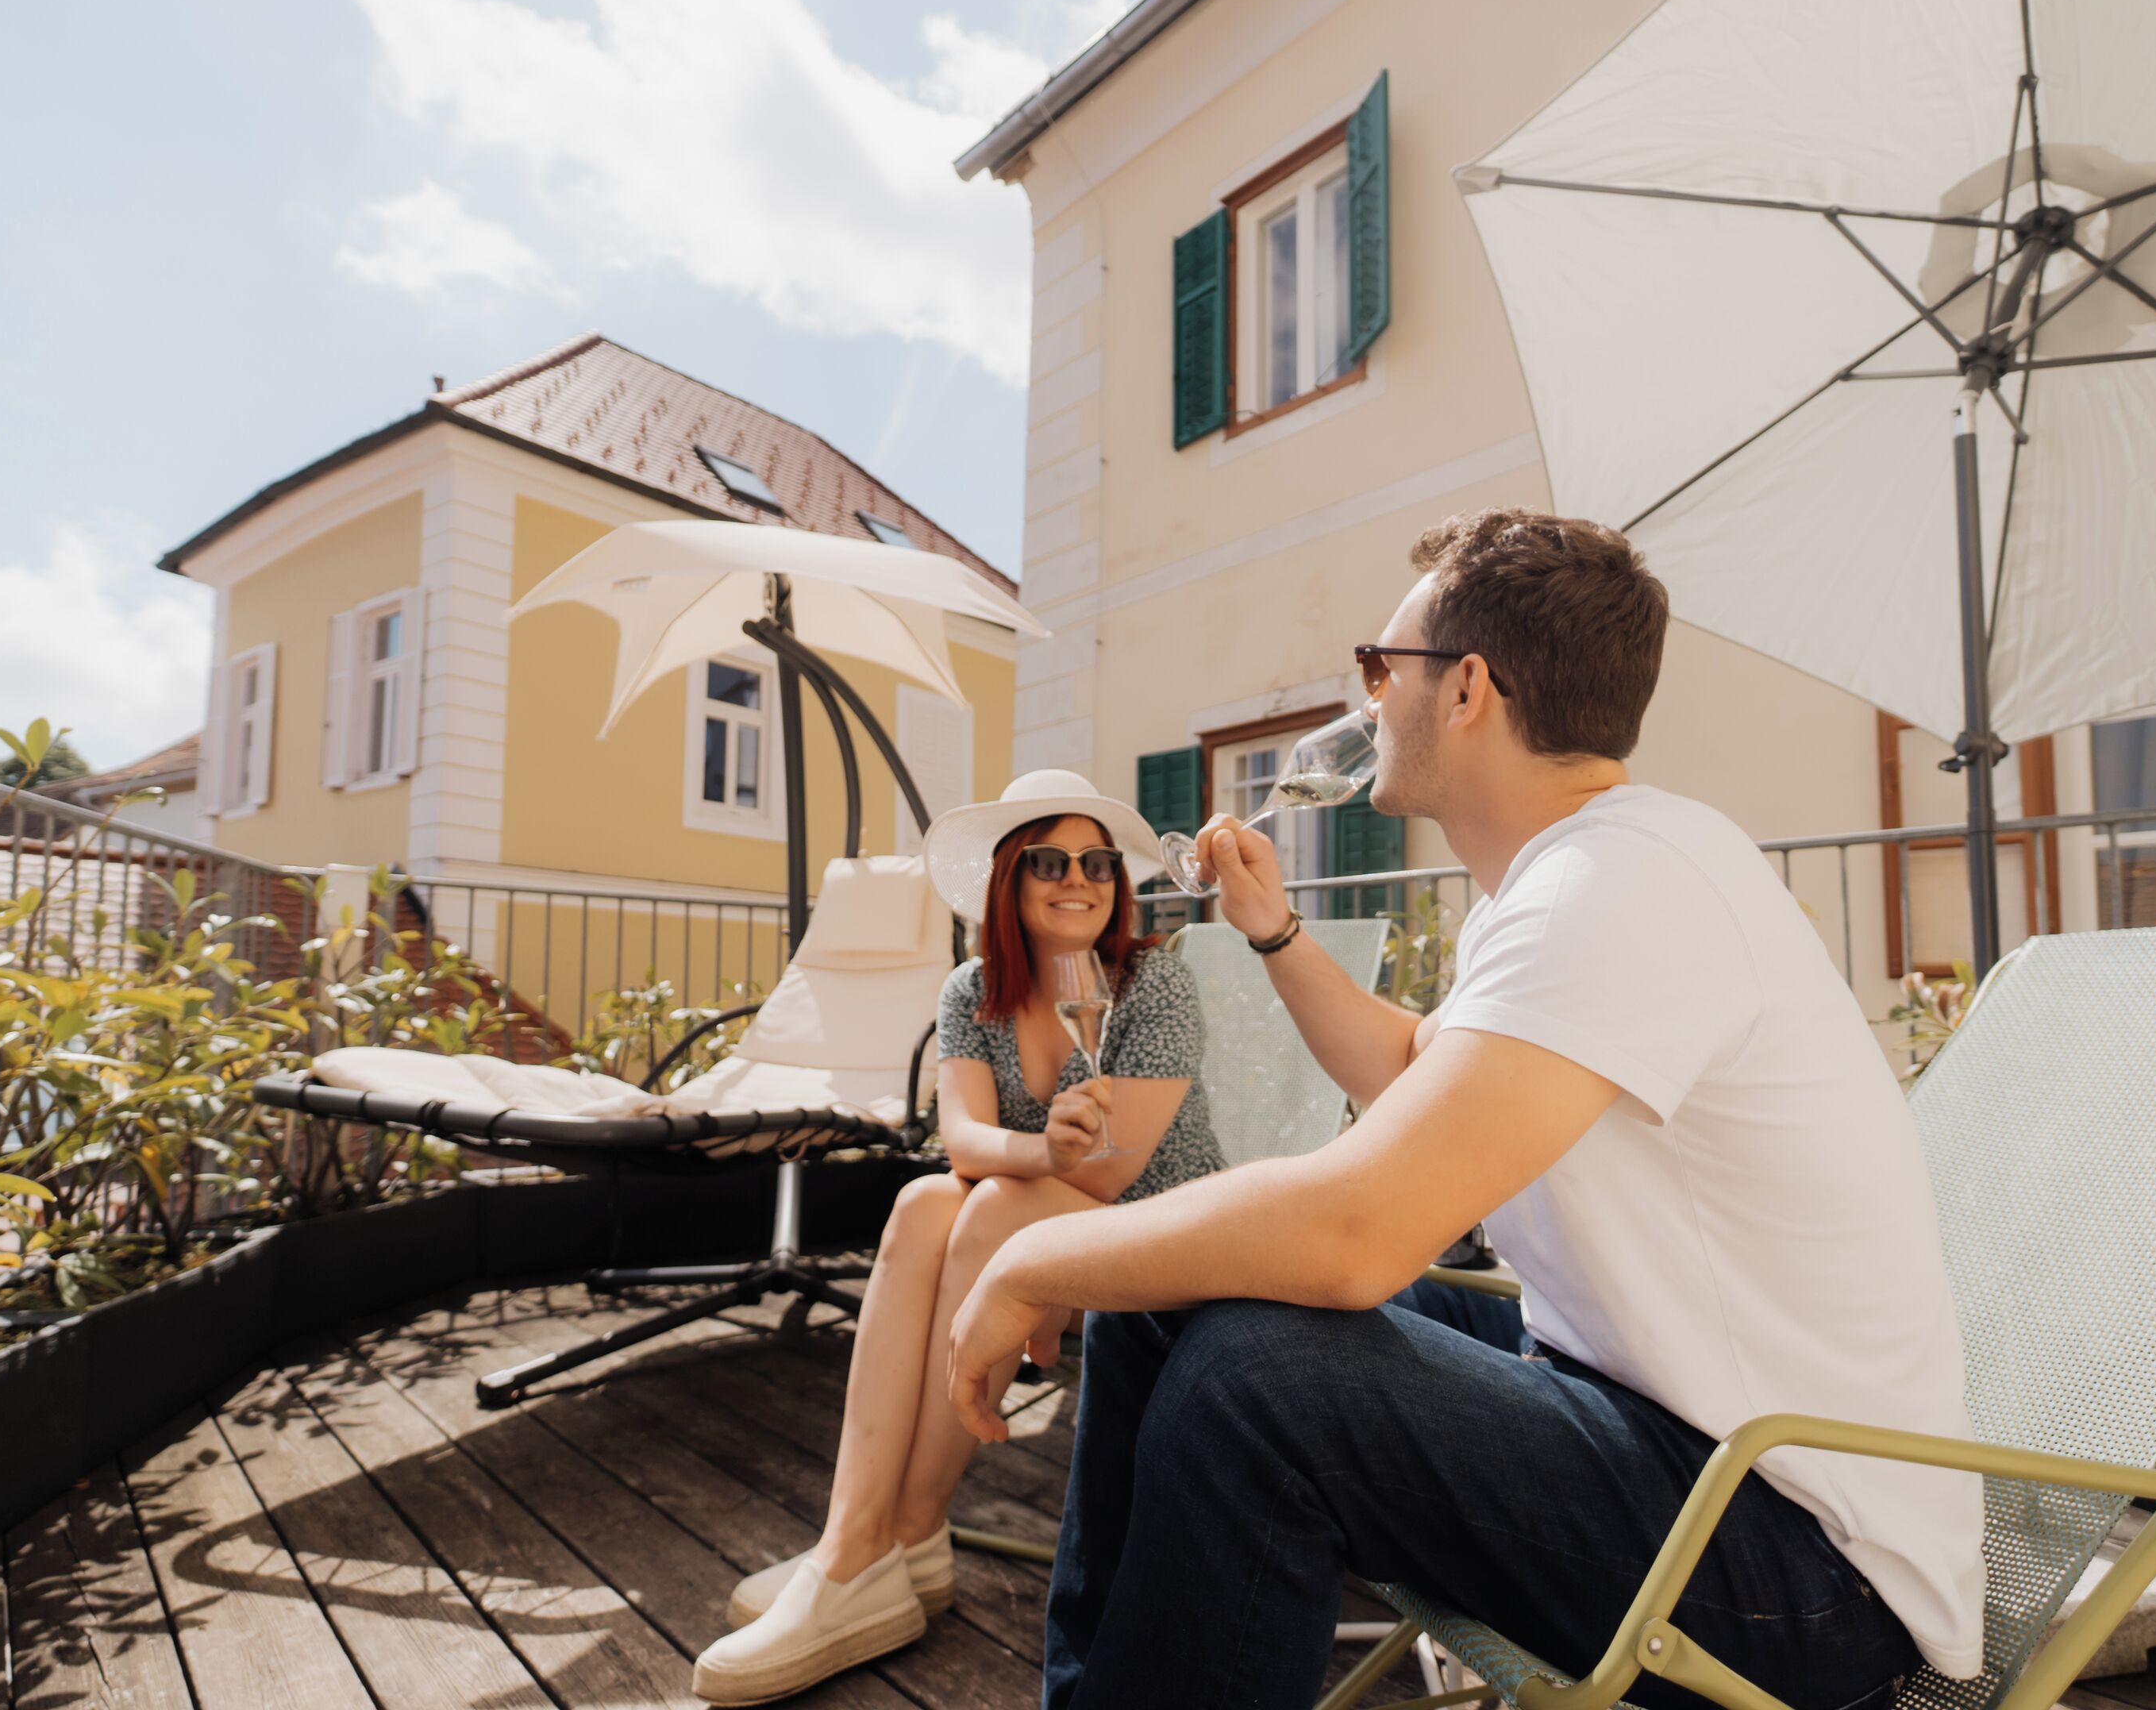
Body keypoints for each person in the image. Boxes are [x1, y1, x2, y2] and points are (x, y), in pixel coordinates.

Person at [945, 510, 1986, 1710]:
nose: (1368, 699)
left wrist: (1033, 1260)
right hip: (1650, 1420)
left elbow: (1358, 1235)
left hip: (1800, 1558)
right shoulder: (1567, 882)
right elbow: (1410, 1068)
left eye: (1379, 667)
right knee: (1172, 1299)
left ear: (1468, 688)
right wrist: (1274, 930)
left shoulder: (1626, 883)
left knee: (1255, 1380)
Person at [693, 769, 1224, 1707]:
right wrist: (1041, 1145)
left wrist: (1050, 1160)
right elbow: (964, 1139)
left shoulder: (1154, 984)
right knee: (921, 1204)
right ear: (1009, 879)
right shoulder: (974, 991)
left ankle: (896, 1538)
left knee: (985, 1210)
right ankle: (861, 1542)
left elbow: (1111, 1174)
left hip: (1168, 1244)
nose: (1080, 878)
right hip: (1045, 1236)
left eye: (1099, 862)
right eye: (1050, 861)